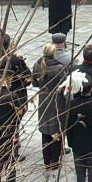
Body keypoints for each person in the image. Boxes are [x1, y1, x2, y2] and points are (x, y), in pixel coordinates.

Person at [33, 42, 70, 170]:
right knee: (56, 130)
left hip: (43, 100)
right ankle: (55, 161)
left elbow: (34, 83)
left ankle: (47, 161)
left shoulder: (36, 65)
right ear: (54, 53)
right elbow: (64, 84)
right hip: (56, 101)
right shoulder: (59, 67)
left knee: (45, 131)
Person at [0, 70, 25, 182]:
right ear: (7, 79)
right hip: (10, 135)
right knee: (10, 166)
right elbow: (19, 115)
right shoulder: (12, 96)